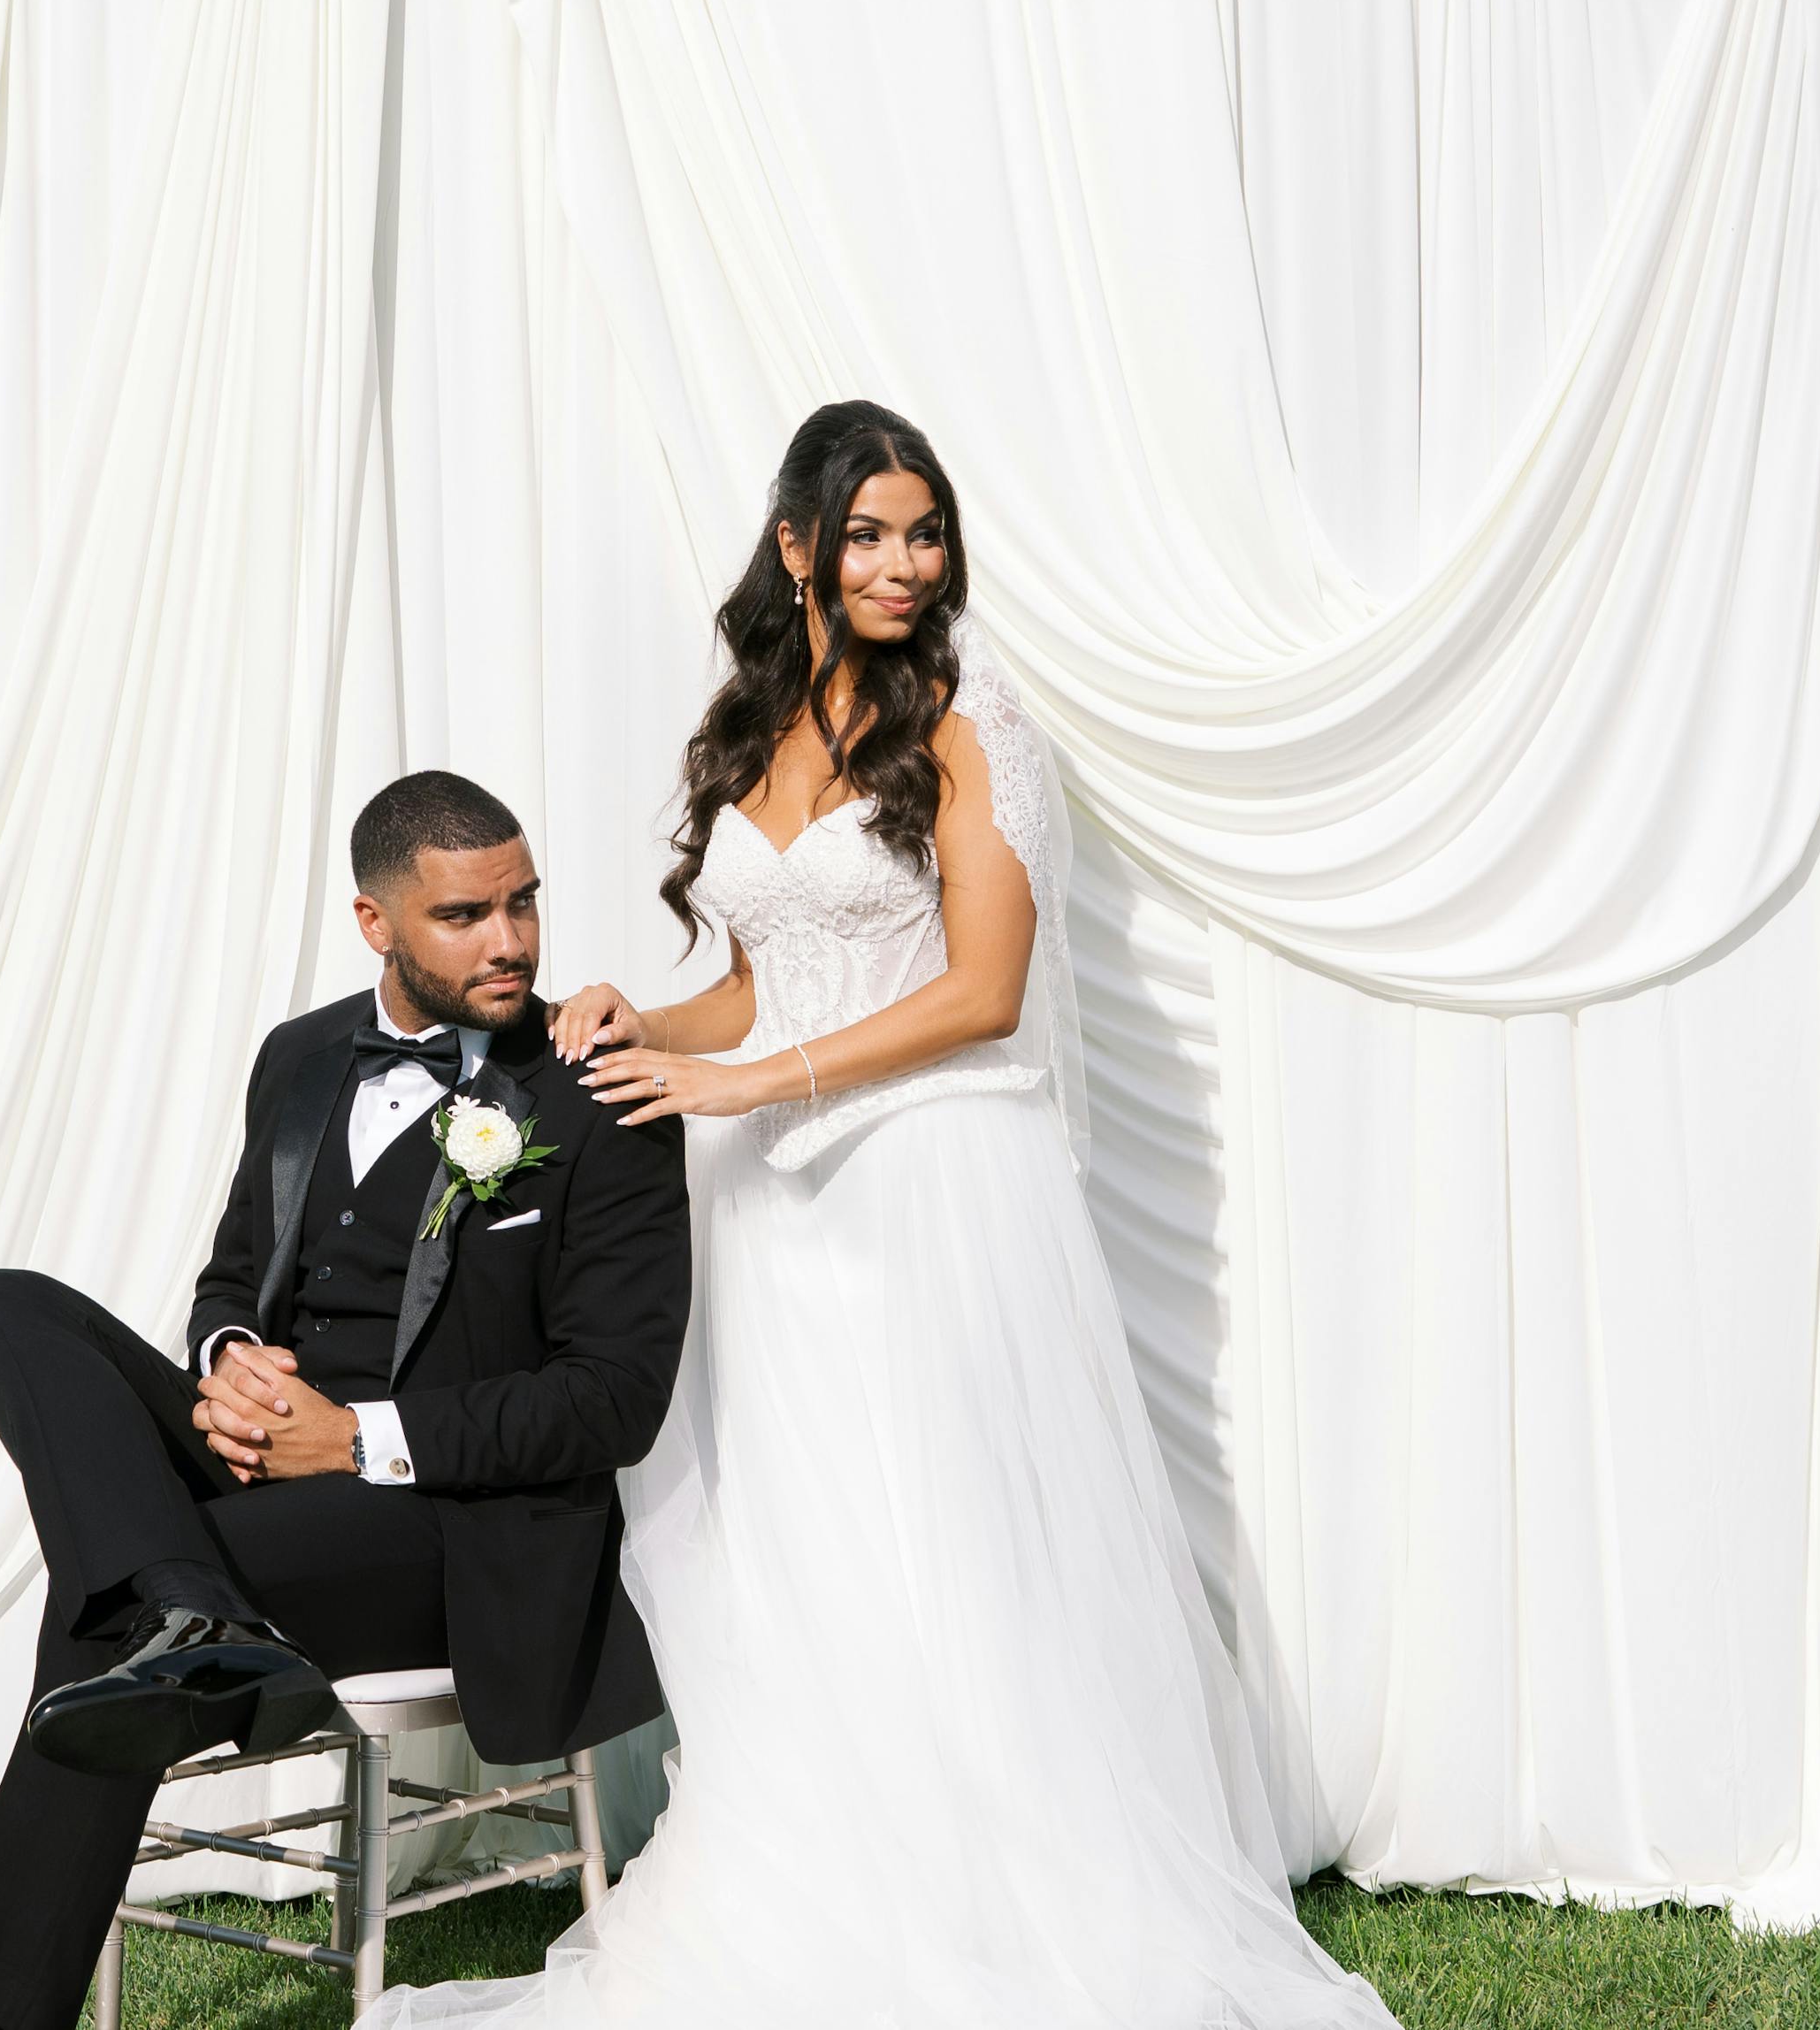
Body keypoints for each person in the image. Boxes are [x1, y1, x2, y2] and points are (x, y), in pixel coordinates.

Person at [369, 402, 1397, 2028]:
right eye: (867, 534)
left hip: (932, 1183)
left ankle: (1012, 1908)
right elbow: (762, 984)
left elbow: (985, 993)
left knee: (957, 1555)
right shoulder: (752, 722)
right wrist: (654, 1024)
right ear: (797, 548)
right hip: (775, 1225)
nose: (905, 564)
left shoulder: (975, 718)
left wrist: (755, 1077)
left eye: (924, 531)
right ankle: (837, 1881)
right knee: (806, 1568)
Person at [0, 772, 692, 2030]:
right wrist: (228, 1358)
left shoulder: (597, 1097)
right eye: (463, 914)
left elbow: (614, 1402)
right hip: (273, 1457)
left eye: (524, 902)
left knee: (119, 1590)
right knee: (2, 1302)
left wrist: (360, 1438)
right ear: (374, 921)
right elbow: (235, 1273)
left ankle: (20, 2003)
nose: (510, 940)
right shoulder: (300, 1057)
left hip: (445, 1510)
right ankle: (195, 1608)